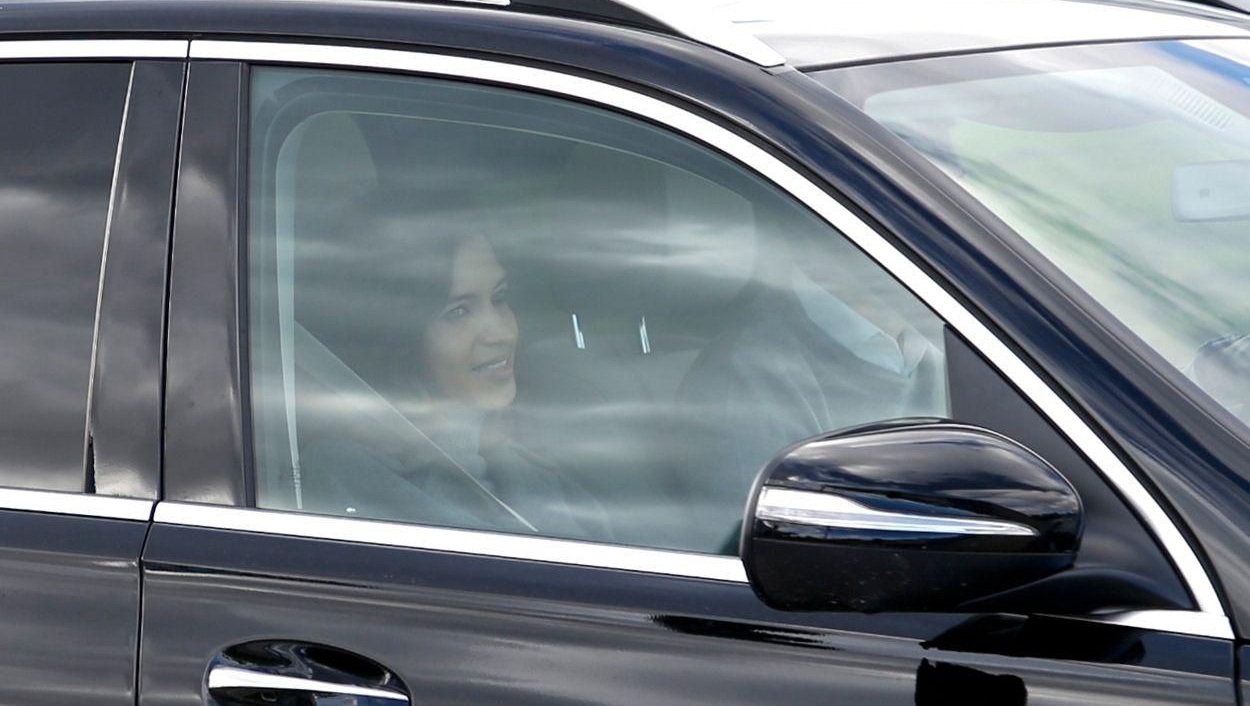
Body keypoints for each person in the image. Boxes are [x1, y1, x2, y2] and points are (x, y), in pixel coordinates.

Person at [293, 185, 609, 541]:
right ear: (395, 338)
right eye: (458, 311)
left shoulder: (533, 469)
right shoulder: (341, 479)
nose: (501, 332)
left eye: (500, 297)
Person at [676, 217, 946, 551]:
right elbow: (781, 565)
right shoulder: (748, 379)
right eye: (914, 219)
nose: (943, 242)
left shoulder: (961, 337)